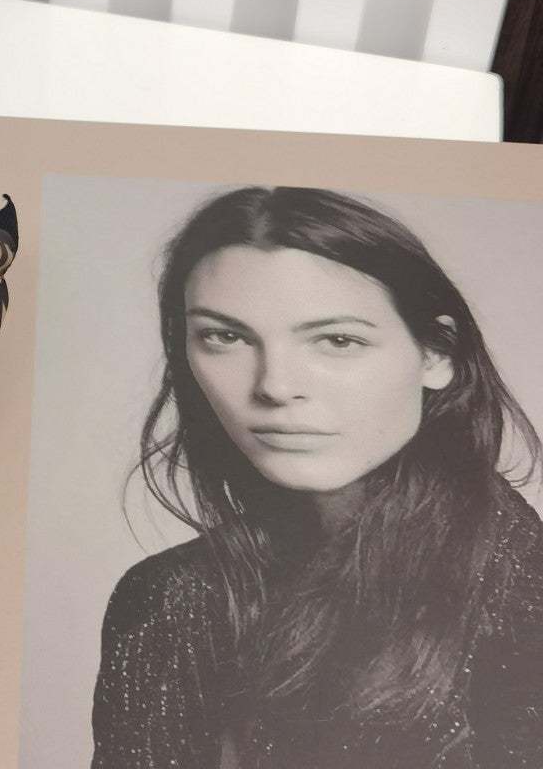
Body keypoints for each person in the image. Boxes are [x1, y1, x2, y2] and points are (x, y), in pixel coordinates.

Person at [92, 186, 543, 768]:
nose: (275, 385)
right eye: (225, 336)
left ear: (436, 353)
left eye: (338, 340)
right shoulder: (167, 600)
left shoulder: (524, 592)